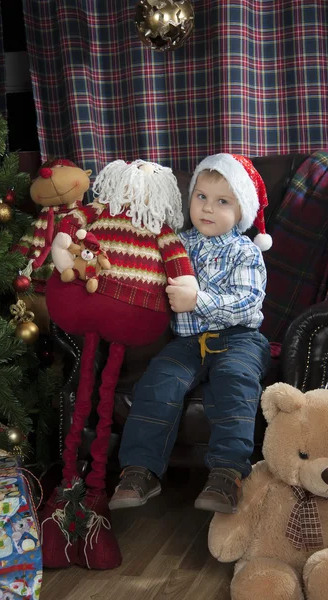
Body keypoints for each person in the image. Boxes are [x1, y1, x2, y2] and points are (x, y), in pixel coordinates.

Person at [109, 153, 271, 514]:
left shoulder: (244, 251)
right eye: (201, 197)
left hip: (239, 339)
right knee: (157, 383)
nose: (208, 208)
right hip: (186, 343)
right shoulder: (177, 243)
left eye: (222, 201)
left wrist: (197, 300)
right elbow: (149, 275)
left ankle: (228, 474)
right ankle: (140, 471)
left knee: (234, 381)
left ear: (240, 209)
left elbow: (246, 303)